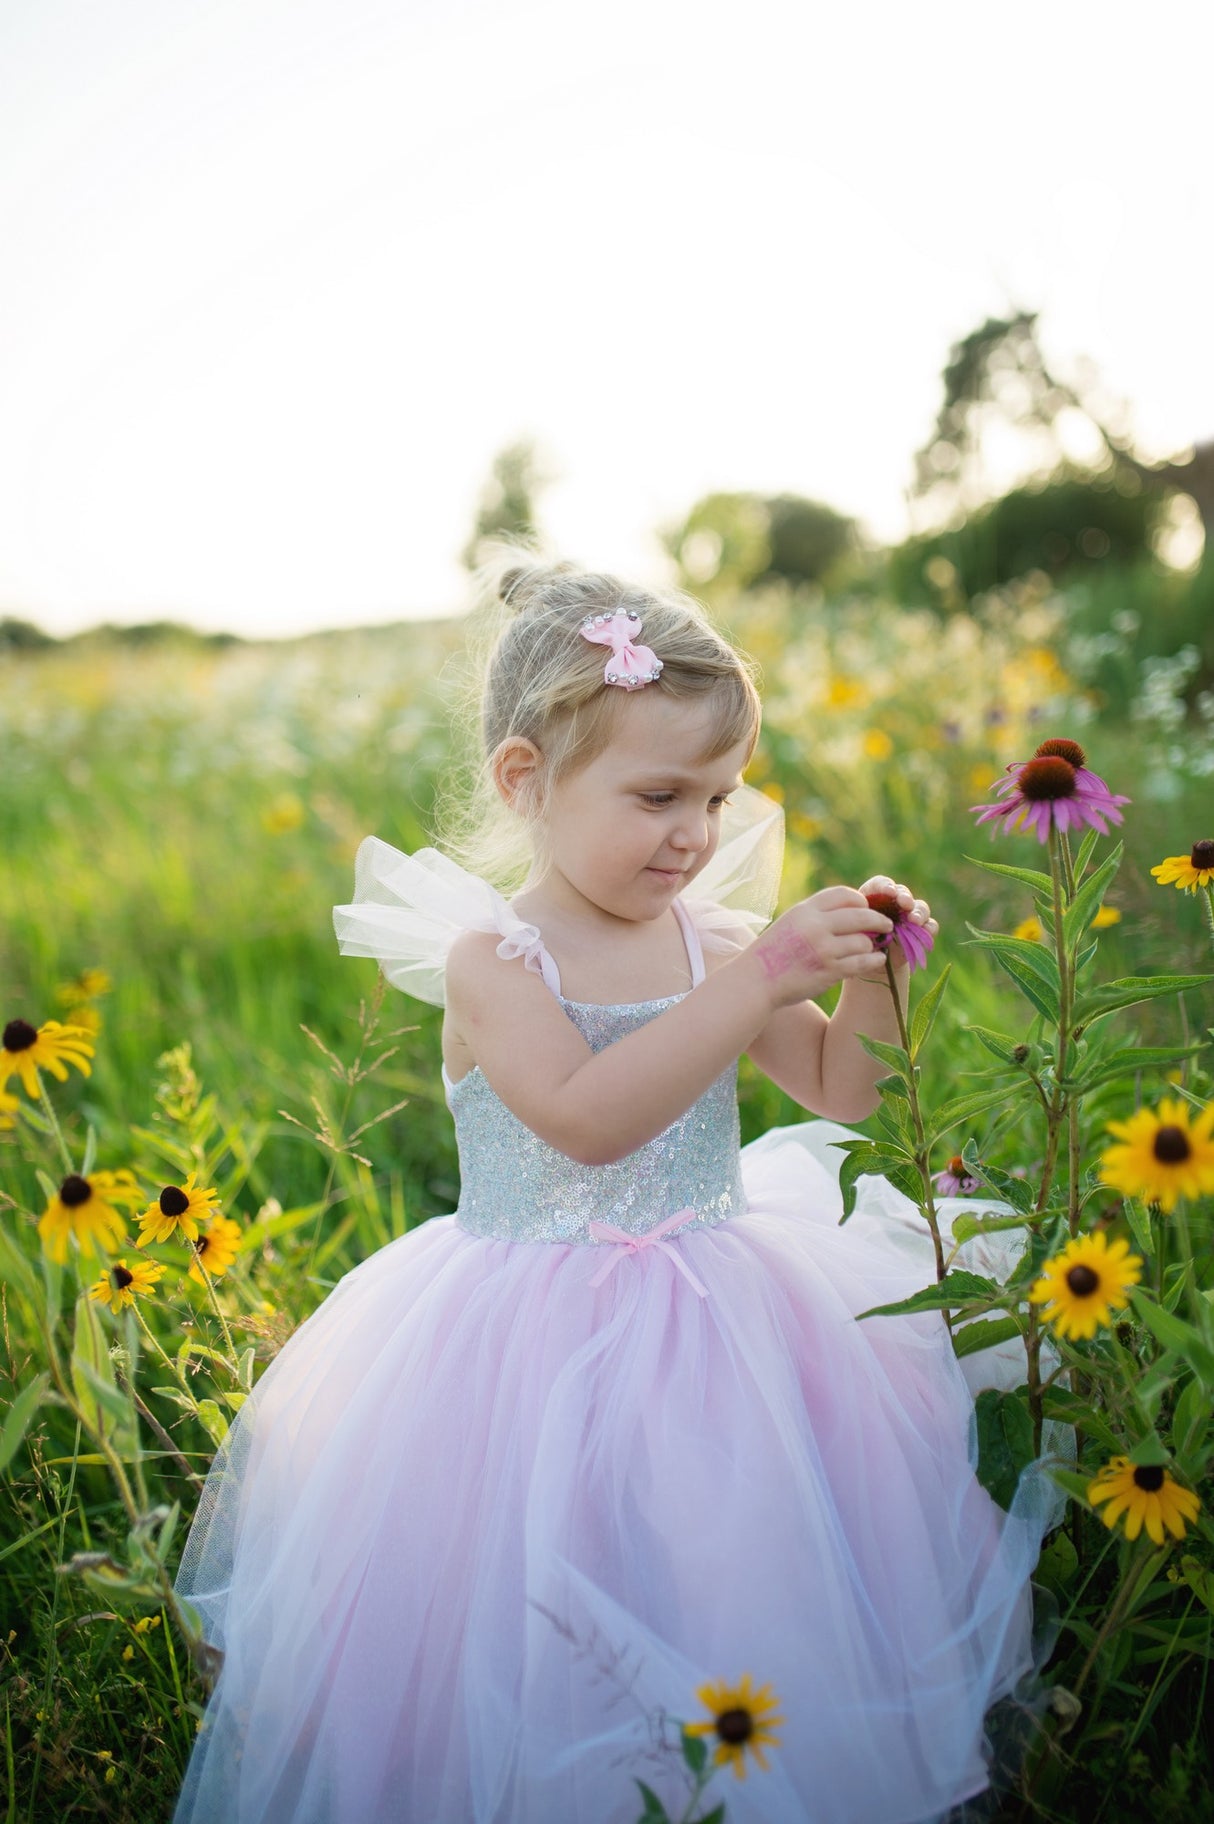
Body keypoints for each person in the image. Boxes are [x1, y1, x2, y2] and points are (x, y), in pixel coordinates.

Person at [172, 558, 1052, 1824]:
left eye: (716, 795)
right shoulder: (495, 960)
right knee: (529, 1591)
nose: (693, 833)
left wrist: (867, 975)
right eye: (655, 796)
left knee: (726, 1565)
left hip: (728, 1308)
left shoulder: (715, 939)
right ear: (526, 781)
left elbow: (841, 1090)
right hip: (518, 1337)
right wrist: (750, 988)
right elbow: (587, 1121)